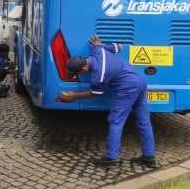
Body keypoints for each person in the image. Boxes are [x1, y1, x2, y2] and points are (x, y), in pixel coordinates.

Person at [60, 35, 158, 169]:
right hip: (140, 80)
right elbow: (119, 47)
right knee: (143, 120)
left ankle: (111, 158)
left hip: (128, 87)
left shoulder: (97, 75)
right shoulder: (96, 50)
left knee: (115, 120)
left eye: (77, 73)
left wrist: (74, 96)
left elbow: (94, 93)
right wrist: (101, 45)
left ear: (83, 69)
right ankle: (149, 157)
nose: (78, 75)